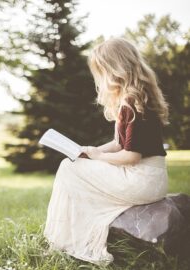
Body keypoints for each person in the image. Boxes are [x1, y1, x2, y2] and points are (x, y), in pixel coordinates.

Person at [43, 37, 170, 266]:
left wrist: (98, 157)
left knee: (68, 169)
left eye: (101, 71)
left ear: (114, 69)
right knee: (72, 166)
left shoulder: (132, 101)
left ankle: (64, 240)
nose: (99, 78)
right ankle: (66, 238)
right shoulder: (134, 97)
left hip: (142, 179)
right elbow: (118, 144)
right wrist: (89, 150)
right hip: (150, 177)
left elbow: (131, 157)